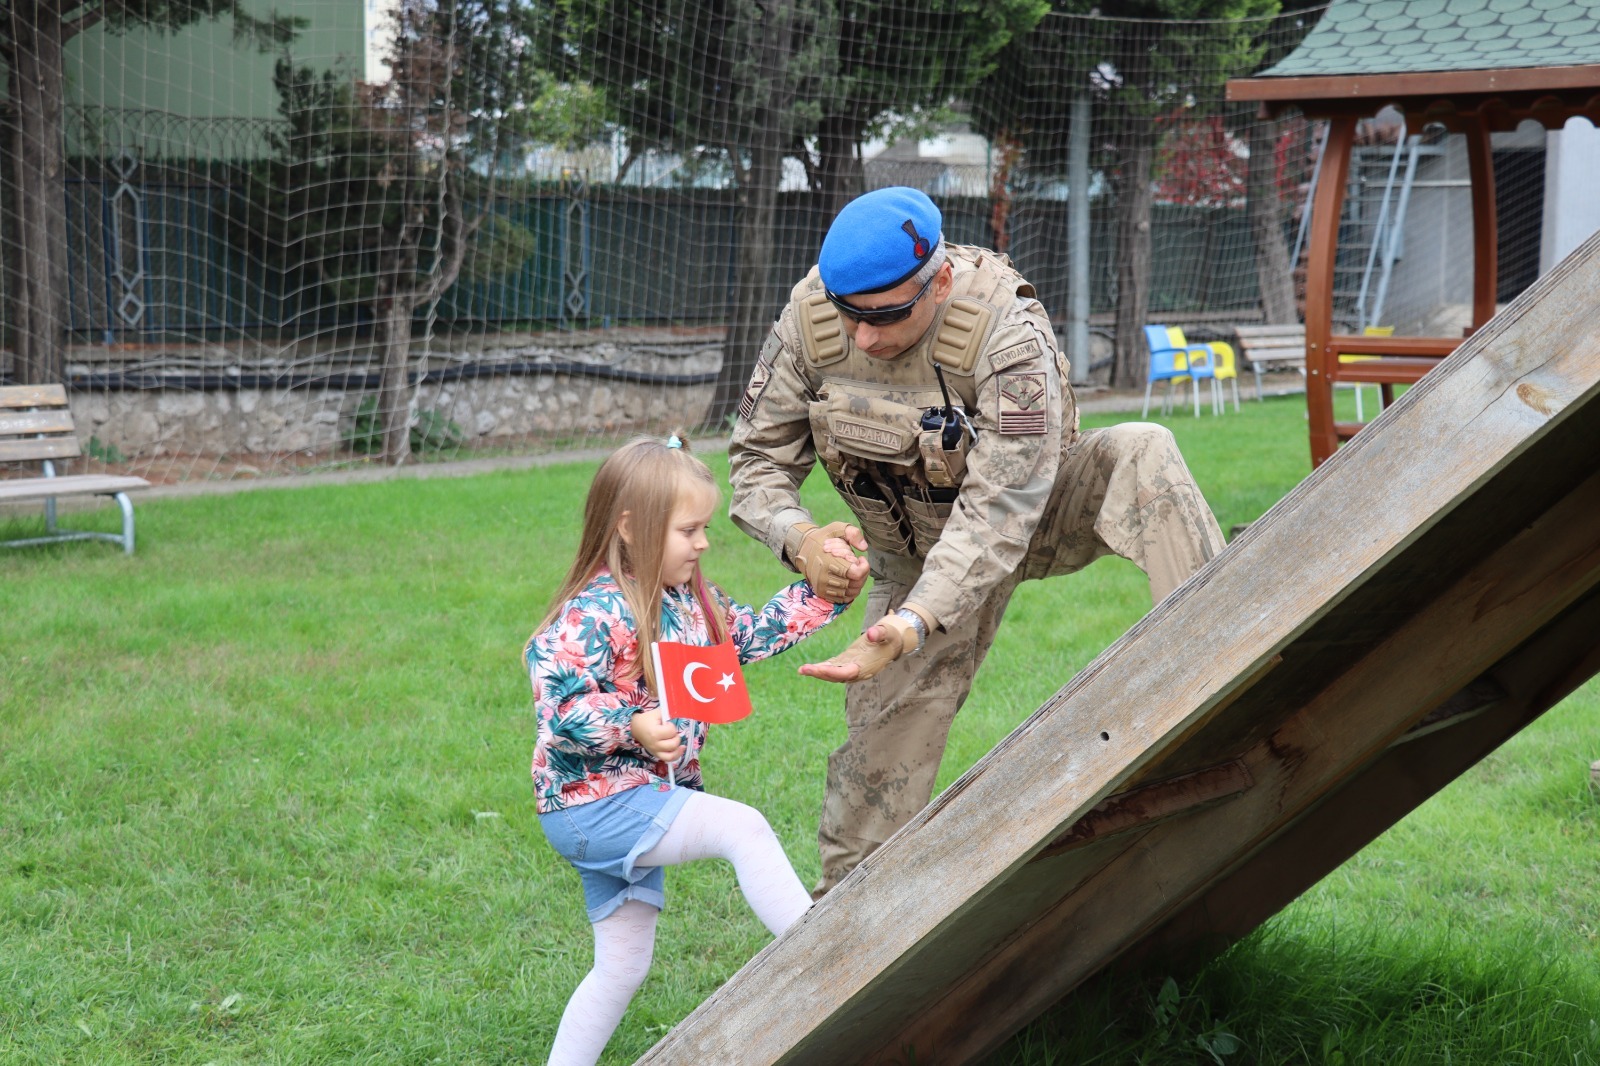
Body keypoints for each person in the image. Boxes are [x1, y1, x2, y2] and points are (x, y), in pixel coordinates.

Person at [728, 186, 1226, 897]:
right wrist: (800, 540)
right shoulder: (813, 316)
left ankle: (1220, 662)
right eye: (851, 316)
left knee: (1143, 452)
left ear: (941, 282)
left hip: (1033, 515)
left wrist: (912, 621)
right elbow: (755, 462)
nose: (863, 337)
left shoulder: (1003, 326)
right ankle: (850, 949)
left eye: (887, 316)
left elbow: (1001, 510)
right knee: (871, 802)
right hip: (909, 560)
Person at [527, 434, 866, 1066]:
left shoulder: (690, 603)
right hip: (590, 804)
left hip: (630, 801)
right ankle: (828, 958)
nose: (704, 543)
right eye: (689, 530)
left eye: (705, 527)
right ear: (631, 527)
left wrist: (829, 590)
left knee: (621, 968)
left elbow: (753, 635)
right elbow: (561, 710)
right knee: (745, 828)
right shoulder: (593, 612)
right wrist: (633, 724)